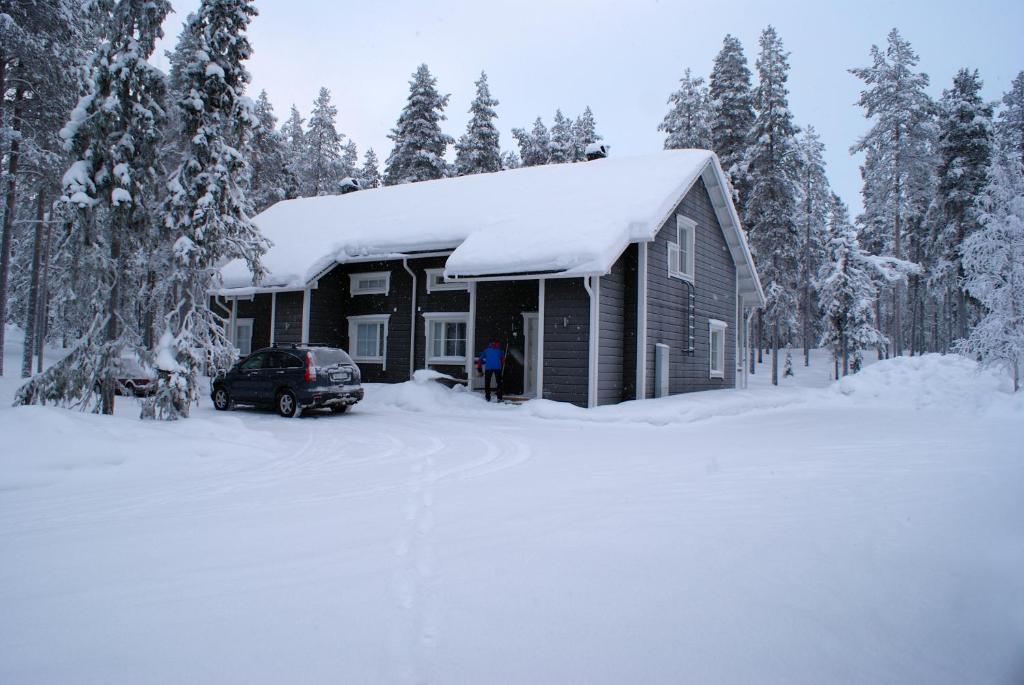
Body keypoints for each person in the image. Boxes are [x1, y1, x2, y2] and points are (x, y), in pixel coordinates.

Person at [476, 337, 504, 402]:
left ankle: (487, 397)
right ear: (497, 343)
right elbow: (502, 360)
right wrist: (500, 362)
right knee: (499, 383)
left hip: (488, 368)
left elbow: (480, 360)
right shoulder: (500, 350)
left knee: (487, 382)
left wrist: (479, 368)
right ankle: (499, 397)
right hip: (498, 368)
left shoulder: (487, 350)